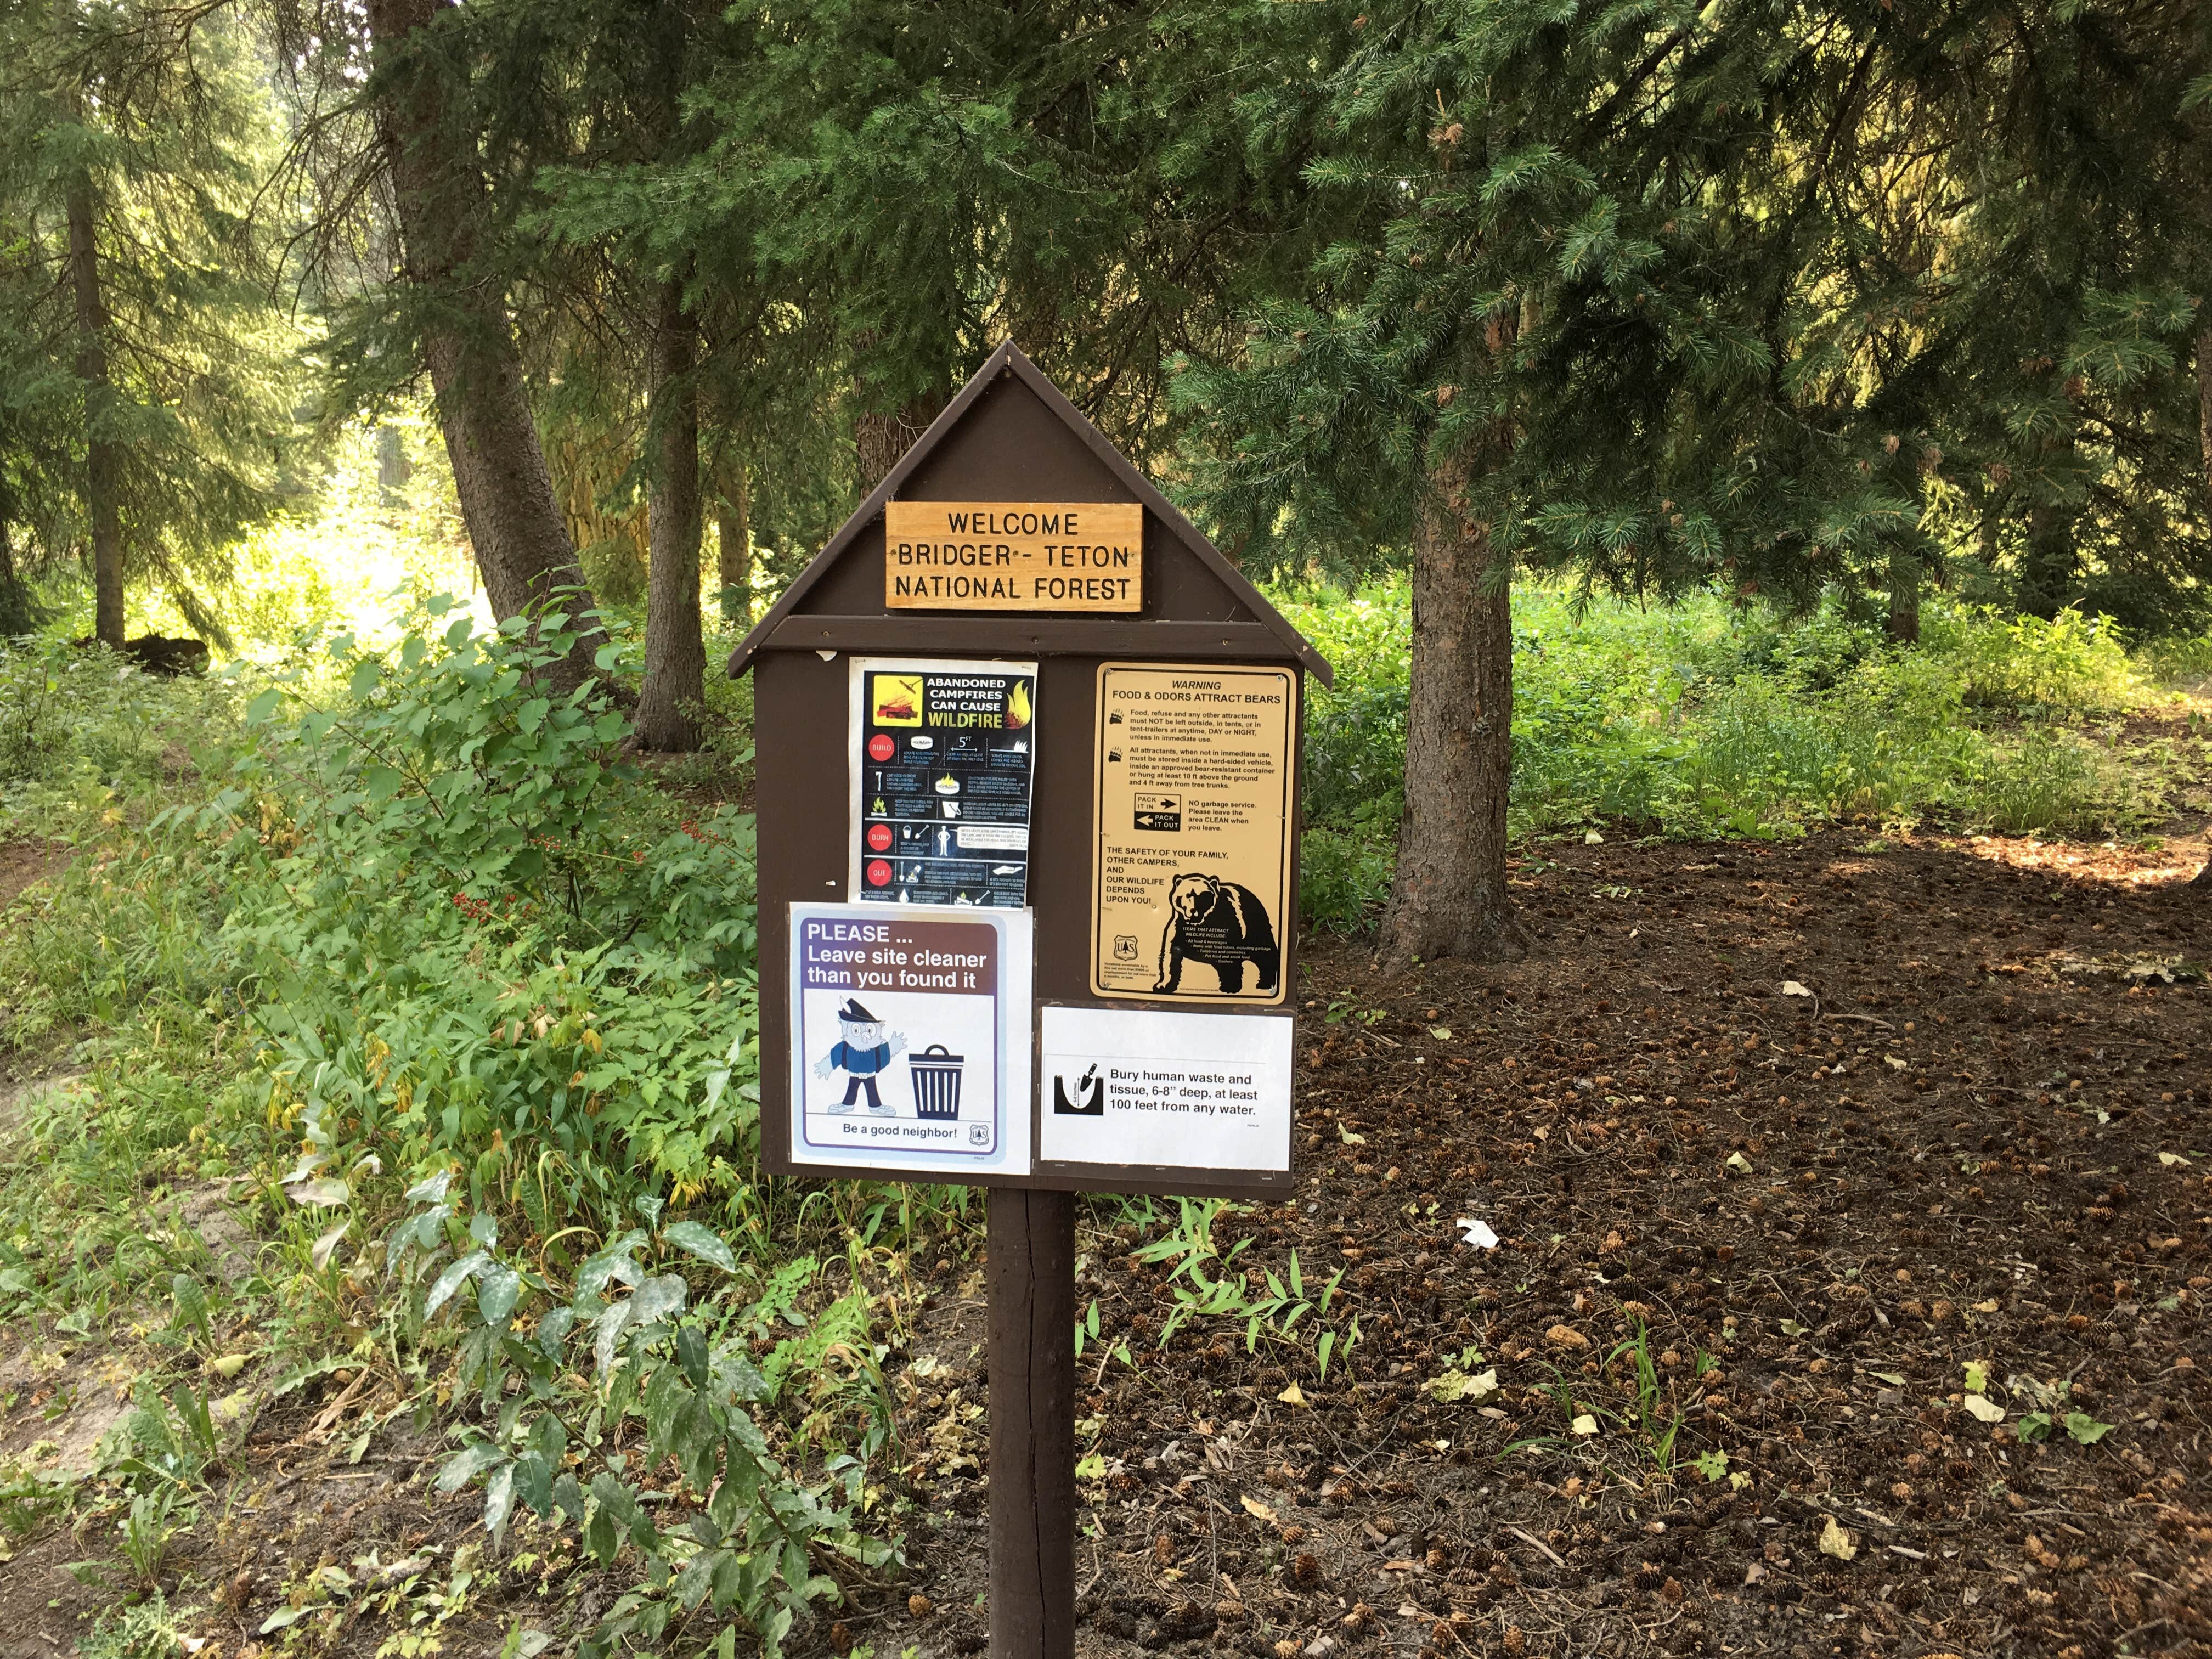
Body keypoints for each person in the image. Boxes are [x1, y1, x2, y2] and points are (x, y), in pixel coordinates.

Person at [814, 999, 906, 1115]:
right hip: (854, 1075)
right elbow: (836, 1055)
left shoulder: (876, 1049)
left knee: (872, 1091)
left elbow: (885, 1052)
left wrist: (893, 1046)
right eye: (856, 1030)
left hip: (870, 1076)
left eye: (869, 1030)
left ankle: (875, 1106)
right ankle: (848, 1104)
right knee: (852, 1090)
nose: (864, 1035)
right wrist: (827, 1065)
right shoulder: (846, 1047)